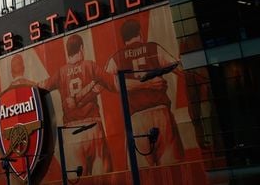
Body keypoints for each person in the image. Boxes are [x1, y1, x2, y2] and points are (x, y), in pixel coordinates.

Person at [105, 19, 184, 166]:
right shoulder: (153, 48)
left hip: (136, 118)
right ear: (140, 33)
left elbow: (111, 83)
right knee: (170, 167)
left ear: (123, 39)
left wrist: (141, 84)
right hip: (160, 112)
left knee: (142, 173)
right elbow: (178, 68)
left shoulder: (116, 59)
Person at [39, 34, 117, 176]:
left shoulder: (61, 73)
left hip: (71, 131)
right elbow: (112, 83)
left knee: (77, 178)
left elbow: (42, 87)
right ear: (81, 48)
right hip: (93, 126)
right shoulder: (90, 65)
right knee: (103, 176)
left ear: (68, 52)